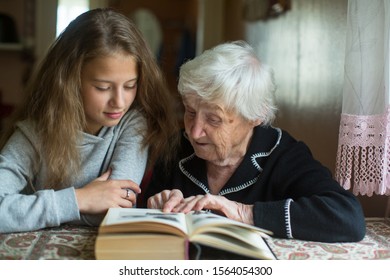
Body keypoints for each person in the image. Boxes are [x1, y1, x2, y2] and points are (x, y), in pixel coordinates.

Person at [142, 41, 366, 242]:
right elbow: (142, 216)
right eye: (190, 112)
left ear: (254, 117)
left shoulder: (282, 154)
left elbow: (347, 217)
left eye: (213, 119)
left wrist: (244, 213)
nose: (195, 131)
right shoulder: (177, 148)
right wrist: (157, 204)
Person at [0, 8, 179, 233]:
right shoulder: (34, 134)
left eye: (130, 85)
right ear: (69, 82)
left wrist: (29, 211)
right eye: (103, 87)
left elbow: (114, 210)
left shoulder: (133, 124)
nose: (119, 102)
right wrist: (79, 199)